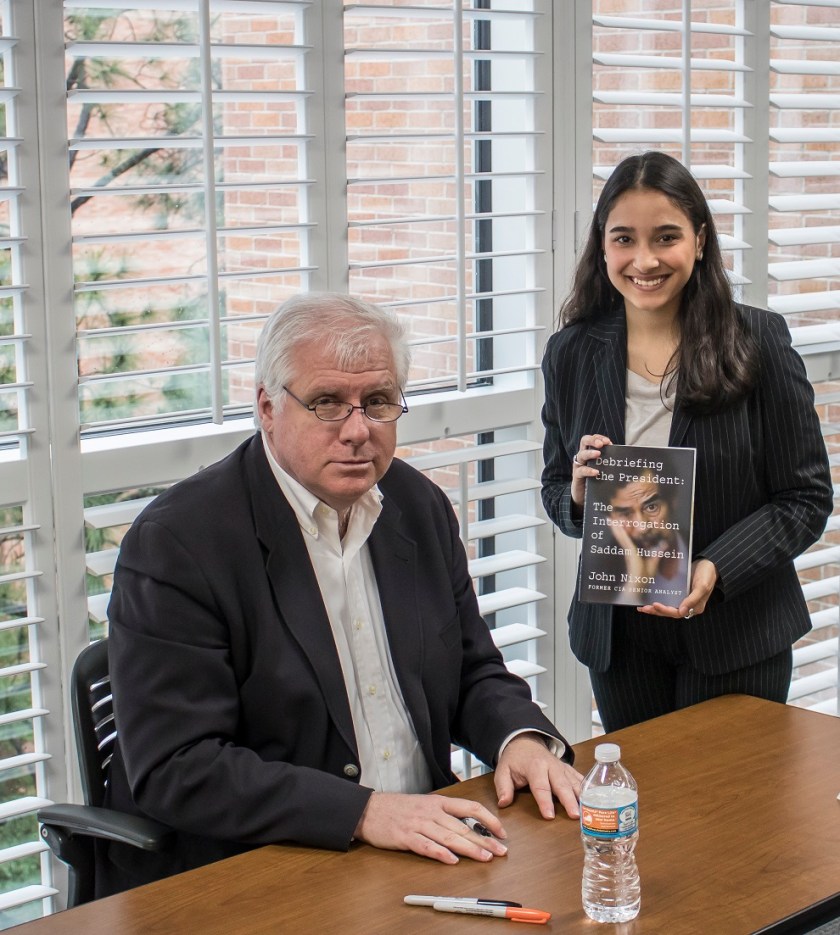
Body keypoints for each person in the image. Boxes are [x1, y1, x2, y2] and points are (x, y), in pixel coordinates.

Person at [100, 292, 583, 897]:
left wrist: (523, 740)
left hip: (426, 849)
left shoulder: (417, 506)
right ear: (268, 408)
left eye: (378, 402)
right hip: (269, 870)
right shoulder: (177, 543)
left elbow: (471, 670)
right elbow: (178, 768)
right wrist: (364, 811)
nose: (358, 430)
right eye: (327, 403)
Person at [541, 151, 833, 733]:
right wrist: (577, 496)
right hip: (621, 637)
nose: (644, 260)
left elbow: (805, 499)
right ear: (603, 246)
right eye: (624, 238)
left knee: (731, 814)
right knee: (644, 809)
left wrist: (714, 569)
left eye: (666, 237)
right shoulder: (571, 352)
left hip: (736, 628)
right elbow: (555, 489)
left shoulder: (759, 340)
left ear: (699, 241)